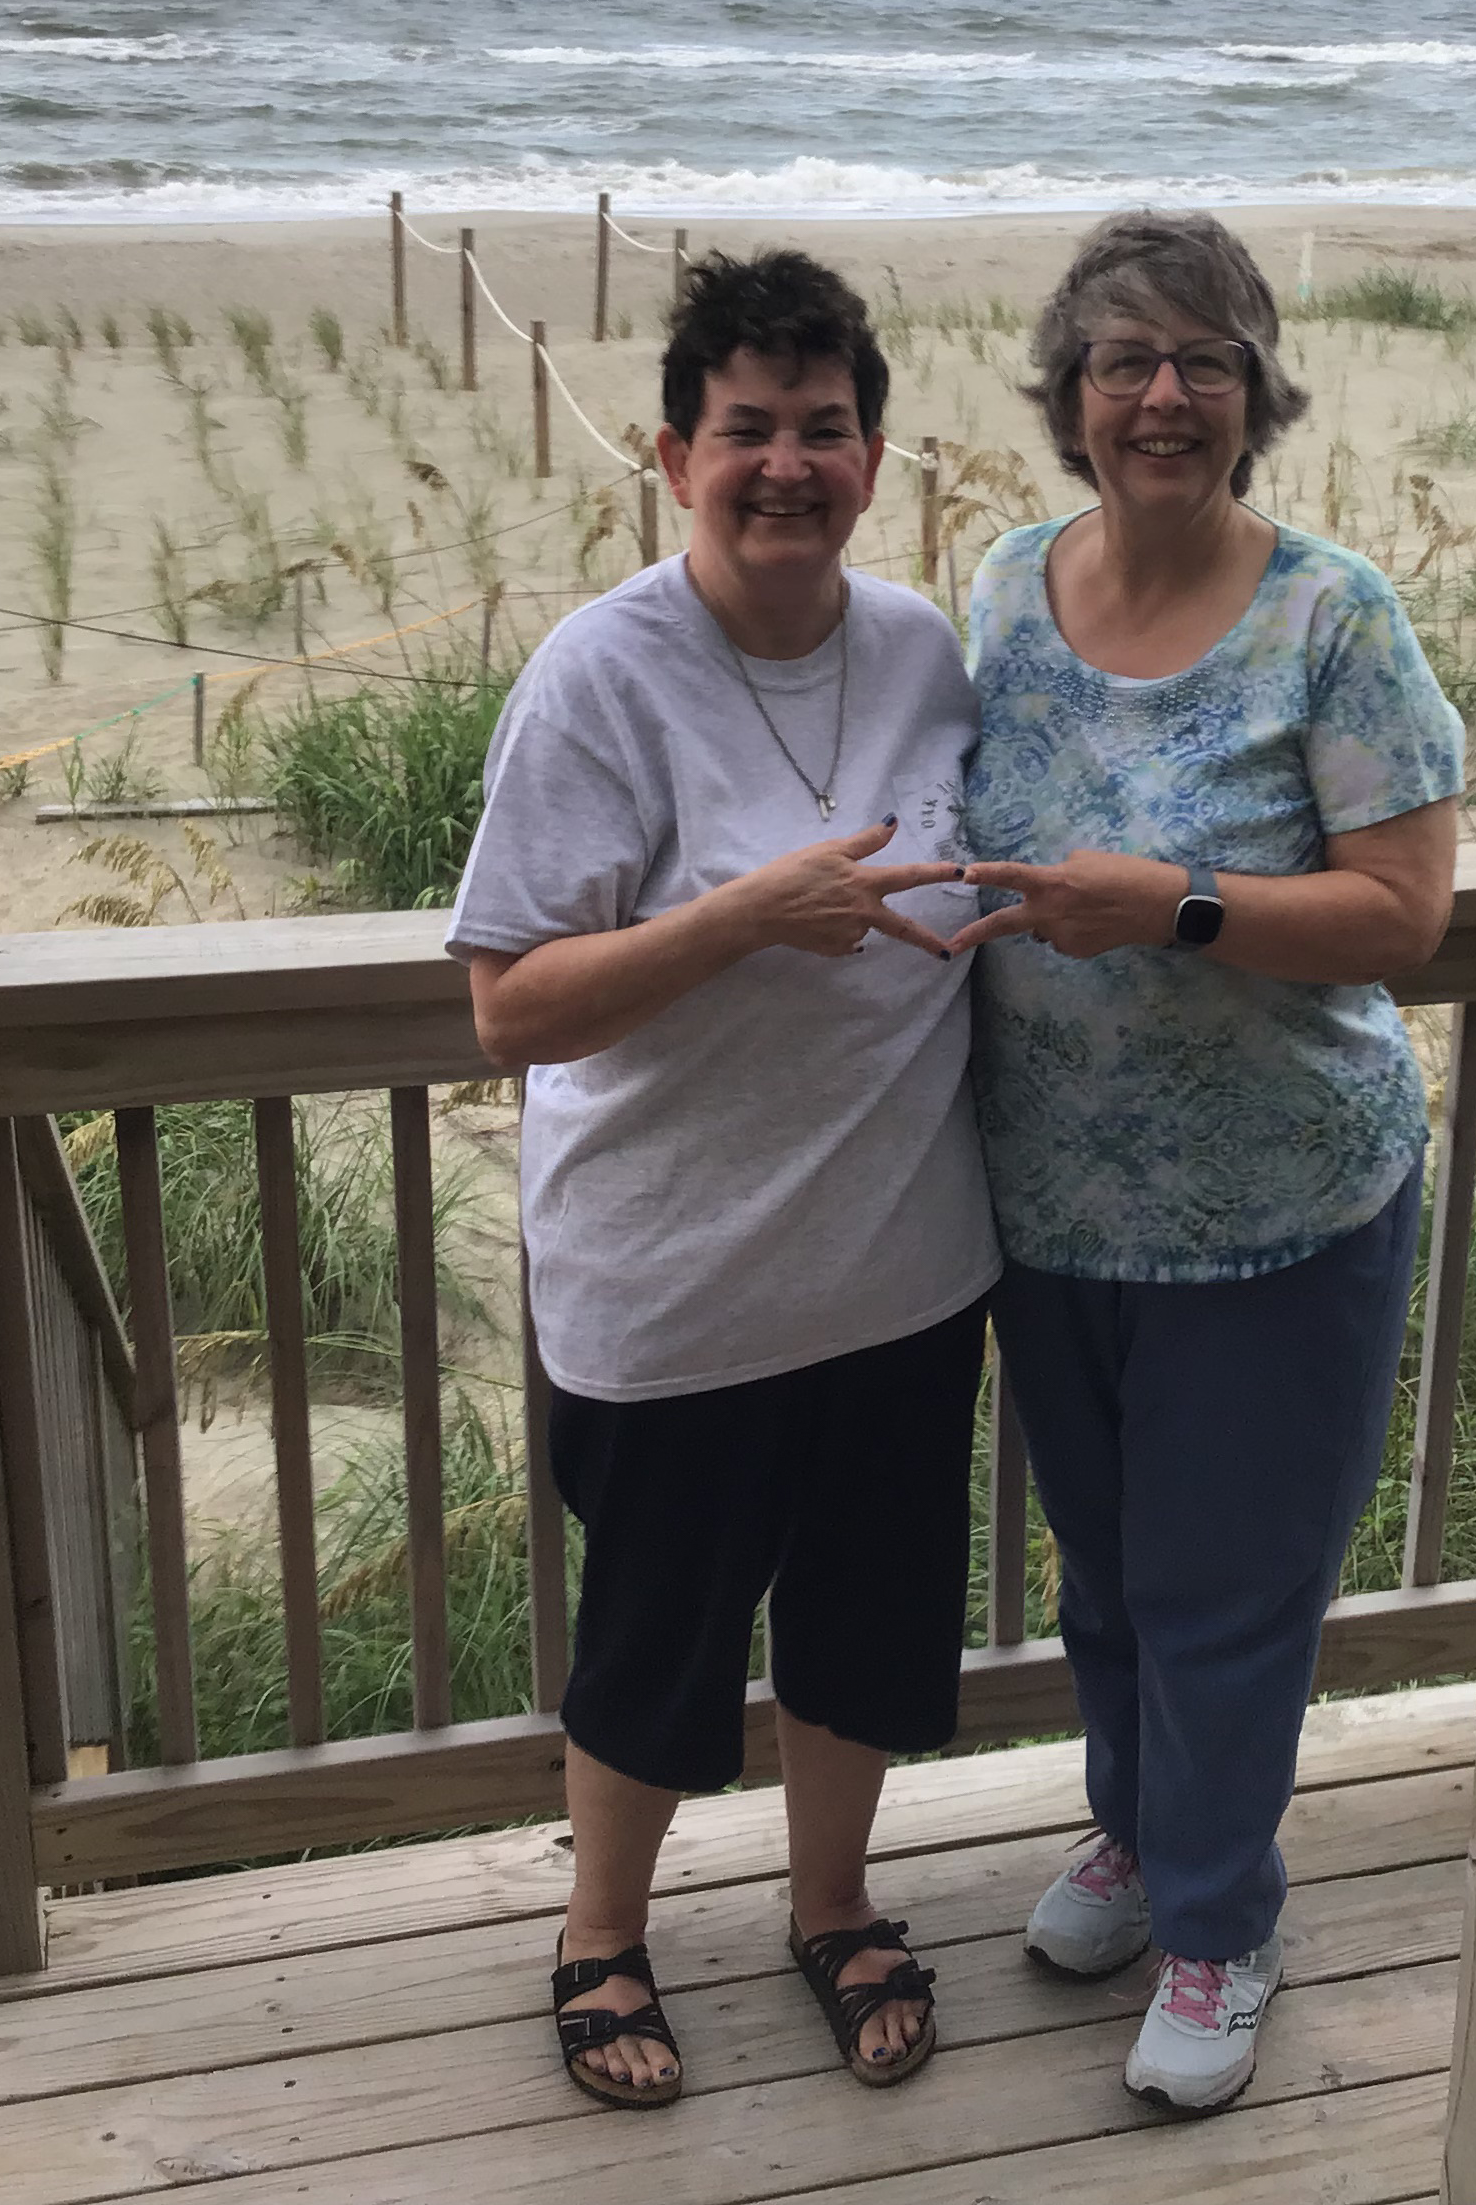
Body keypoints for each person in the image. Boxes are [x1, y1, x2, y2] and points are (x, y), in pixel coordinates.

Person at [444, 249, 995, 2109]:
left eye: (822, 429)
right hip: (673, 1288)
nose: (787, 464)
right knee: (658, 1643)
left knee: (864, 1629)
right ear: (676, 456)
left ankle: (831, 1903)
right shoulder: (602, 674)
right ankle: (604, 1933)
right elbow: (513, 1005)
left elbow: (965, 872)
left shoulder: (924, 646)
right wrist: (743, 918)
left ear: (876, 453)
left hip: (906, 1272)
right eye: (746, 429)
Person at [948, 210, 1464, 2114]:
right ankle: (1140, 1832)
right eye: (1123, 361)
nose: (1162, 396)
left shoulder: (1333, 616)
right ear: (1069, 395)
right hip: (1049, 1202)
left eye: (1205, 361)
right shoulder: (1001, 585)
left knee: (1231, 1592)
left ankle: (1224, 1922)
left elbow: (1402, 918)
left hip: (1279, 1209)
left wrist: (1172, 907)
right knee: (1105, 1571)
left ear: (1256, 395)